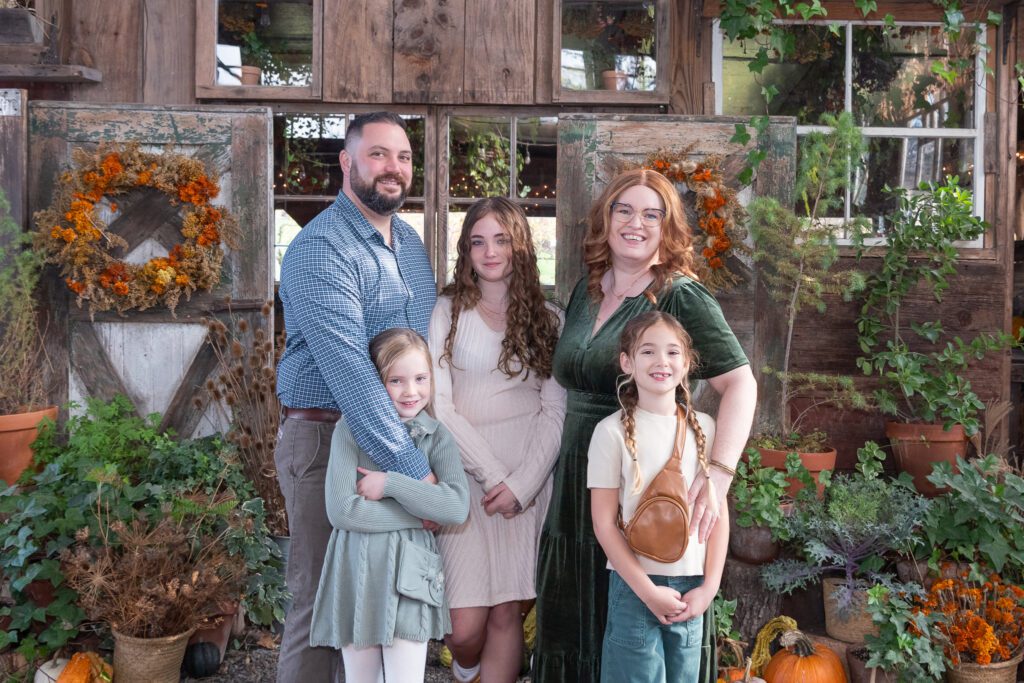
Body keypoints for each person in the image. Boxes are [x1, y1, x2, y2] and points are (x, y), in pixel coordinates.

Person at [533, 168, 757, 682]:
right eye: (624, 210)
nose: (636, 223)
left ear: (667, 228)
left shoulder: (681, 296)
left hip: (643, 484)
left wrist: (717, 474)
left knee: (640, 643)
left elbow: (741, 385)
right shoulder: (588, 290)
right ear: (605, 219)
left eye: (651, 214)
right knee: (573, 623)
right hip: (576, 485)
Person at [275, 111, 438, 682]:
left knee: (374, 605)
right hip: (326, 442)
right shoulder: (323, 248)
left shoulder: (411, 246)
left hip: (388, 441)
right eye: (378, 154)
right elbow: (351, 373)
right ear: (346, 163)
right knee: (323, 605)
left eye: (404, 157)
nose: (393, 168)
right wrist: (416, 473)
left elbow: (419, 356)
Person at [429, 197, 566, 683]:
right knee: (464, 628)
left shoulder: (549, 320)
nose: (489, 252)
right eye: (477, 242)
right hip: (467, 482)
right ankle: (467, 669)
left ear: (520, 246)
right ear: (465, 251)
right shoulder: (445, 312)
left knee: (508, 613)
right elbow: (439, 406)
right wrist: (492, 477)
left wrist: (522, 485)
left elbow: (554, 411)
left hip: (527, 485)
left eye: (501, 240)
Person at [309, 328, 469, 683]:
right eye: (395, 380)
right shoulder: (349, 430)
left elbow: (456, 508)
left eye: (420, 378)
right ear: (374, 383)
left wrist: (392, 484)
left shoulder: (437, 436)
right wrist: (420, 511)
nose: (411, 391)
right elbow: (342, 510)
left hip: (411, 574)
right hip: (357, 570)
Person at [589, 311, 729, 683]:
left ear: (687, 364)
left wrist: (709, 588)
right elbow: (603, 524)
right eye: (648, 351)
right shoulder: (609, 433)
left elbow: (718, 515)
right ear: (627, 362)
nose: (661, 361)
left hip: (691, 590)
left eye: (672, 352)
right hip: (635, 586)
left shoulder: (707, 430)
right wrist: (648, 592)